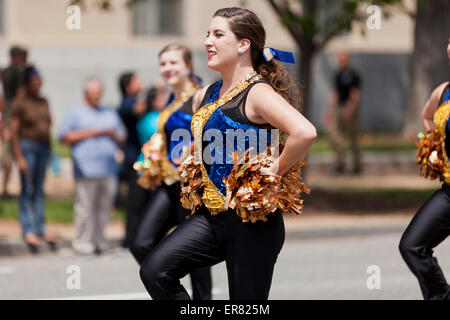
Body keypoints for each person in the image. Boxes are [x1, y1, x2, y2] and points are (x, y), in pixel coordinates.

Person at [138, 8, 317, 300]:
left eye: (218, 34)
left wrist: (277, 169)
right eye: (208, 34)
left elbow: (305, 132)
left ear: (243, 44)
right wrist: (193, 151)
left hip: (252, 223)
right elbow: (216, 134)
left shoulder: (257, 92)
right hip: (211, 218)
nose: (208, 40)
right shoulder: (212, 91)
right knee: (156, 271)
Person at [131, 43, 213, 300]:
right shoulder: (171, 98)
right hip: (169, 184)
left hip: (191, 185)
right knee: (141, 243)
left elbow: (211, 133)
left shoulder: (200, 96)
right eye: (163, 63)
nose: (167, 68)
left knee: (196, 258)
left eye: (173, 62)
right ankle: (173, 291)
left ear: (188, 66)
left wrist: (191, 147)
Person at [399, 39, 450, 300]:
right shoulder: (443, 91)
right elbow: (427, 115)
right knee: (412, 246)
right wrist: (434, 148)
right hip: (449, 193)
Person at [59, 77, 127, 255]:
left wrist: (113, 135)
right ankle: (83, 242)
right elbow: (64, 136)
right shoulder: (75, 111)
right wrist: (93, 132)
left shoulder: (109, 112)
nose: (97, 94)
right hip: (86, 169)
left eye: (99, 91)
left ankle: (99, 241)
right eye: (94, 91)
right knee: (85, 208)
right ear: (86, 92)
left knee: (104, 207)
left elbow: (122, 135)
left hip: (108, 168)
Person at [9, 66, 56, 253]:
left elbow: (48, 126)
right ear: (28, 83)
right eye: (33, 81)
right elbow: (13, 130)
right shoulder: (20, 102)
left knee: (39, 190)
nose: (37, 84)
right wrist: (19, 157)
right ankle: (28, 228)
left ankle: (40, 226)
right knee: (27, 189)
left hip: (43, 148)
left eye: (39, 80)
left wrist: (51, 152)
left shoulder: (43, 100)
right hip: (27, 147)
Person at [117, 71, 146, 248]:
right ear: (128, 86)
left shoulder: (134, 101)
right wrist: (151, 96)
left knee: (141, 201)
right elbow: (138, 110)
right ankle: (130, 238)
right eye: (137, 80)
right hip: (132, 158)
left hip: (139, 157)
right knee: (134, 201)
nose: (140, 82)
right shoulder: (126, 104)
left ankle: (135, 236)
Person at [323, 51, 361, 175]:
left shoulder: (354, 75)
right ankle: (340, 162)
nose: (341, 61)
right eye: (340, 59)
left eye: (343, 59)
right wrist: (329, 111)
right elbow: (336, 94)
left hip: (350, 106)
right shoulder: (338, 74)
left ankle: (356, 165)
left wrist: (349, 111)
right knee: (333, 133)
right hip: (339, 106)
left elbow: (355, 95)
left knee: (352, 137)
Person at [1, 45, 28, 198]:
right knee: (10, 155)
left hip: (13, 115)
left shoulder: (10, 72)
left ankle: (7, 187)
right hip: (13, 116)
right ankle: (5, 188)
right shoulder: (14, 72)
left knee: (12, 154)